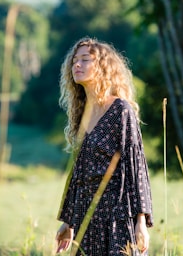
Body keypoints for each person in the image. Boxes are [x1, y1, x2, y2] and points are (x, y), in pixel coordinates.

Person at [56, 37, 153, 255]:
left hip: (118, 216)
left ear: (102, 66)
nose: (77, 65)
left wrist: (141, 221)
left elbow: (136, 166)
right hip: (86, 219)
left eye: (85, 59)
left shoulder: (121, 110)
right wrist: (68, 222)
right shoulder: (82, 115)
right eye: (74, 61)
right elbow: (79, 173)